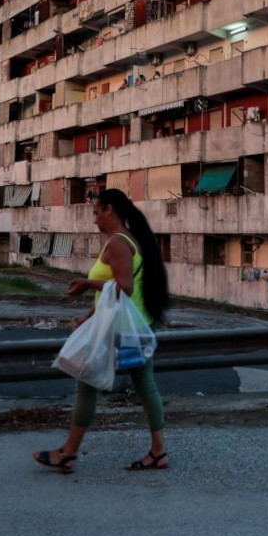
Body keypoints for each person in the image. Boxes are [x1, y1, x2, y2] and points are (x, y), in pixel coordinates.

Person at [33, 188, 171, 474]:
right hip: (130, 327)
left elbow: (124, 287)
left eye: (96, 212)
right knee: (145, 387)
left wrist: (86, 284)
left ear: (110, 210)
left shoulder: (118, 243)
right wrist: (88, 316)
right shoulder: (126, 240)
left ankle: (68, 453)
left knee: (87, 383)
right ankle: (159, 452)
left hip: (120, 331)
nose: (94, 219)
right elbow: (114, 296)